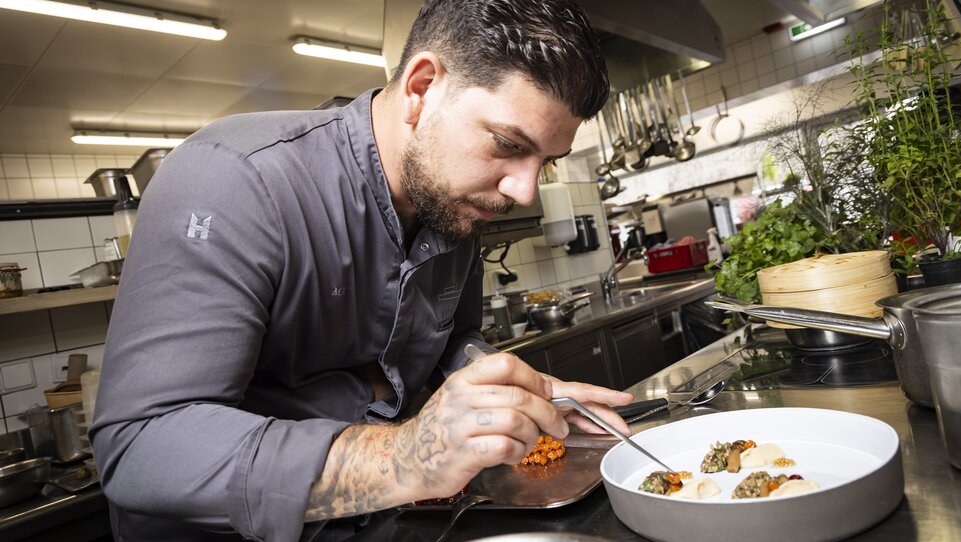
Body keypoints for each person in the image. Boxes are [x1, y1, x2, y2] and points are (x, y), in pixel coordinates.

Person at [90, 0, 633, 540]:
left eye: (546, 161)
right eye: (508, 145)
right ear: (421, 88)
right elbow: (142, 446)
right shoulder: (234, 178)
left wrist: (518, 391)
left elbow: (453, 338)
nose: (524, 189)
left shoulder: (454, 203)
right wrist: (403, 458)